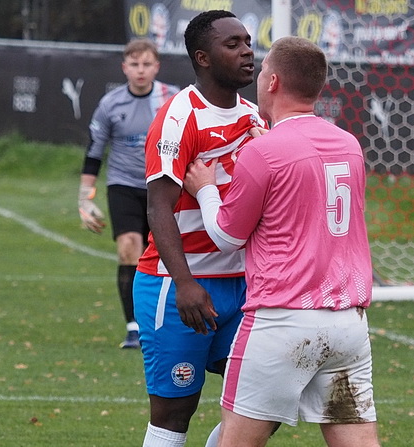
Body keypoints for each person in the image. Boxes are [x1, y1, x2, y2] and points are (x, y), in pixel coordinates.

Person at [183, 36, 380, 446]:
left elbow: (225, 235)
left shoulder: (265, 152)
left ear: (272, 82)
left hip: (282, 321)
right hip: (348, 325)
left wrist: (205, 189)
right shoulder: (349, 144)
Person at [132, 10, 266, 447]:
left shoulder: (253, 118)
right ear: (203, 57)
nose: (248, 50)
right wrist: (186, 283)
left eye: (248, 41)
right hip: (177, 286)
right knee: (174, 413)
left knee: (263, 400)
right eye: (234, 44)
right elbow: (159, 206)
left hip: (242, 286)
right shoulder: (179, 117)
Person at [78, 38, 179, 349]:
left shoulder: (171, 99)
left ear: (156, 67)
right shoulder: (111, 104)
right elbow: (95, 151)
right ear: (124, 67)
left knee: (165, 255)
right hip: (122, 184)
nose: (140, 70)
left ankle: (164, 322)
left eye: (146, 64)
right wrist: (84, 197)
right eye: (134, 64)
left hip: (161, 185)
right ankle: (133, 326)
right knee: (128, 248)